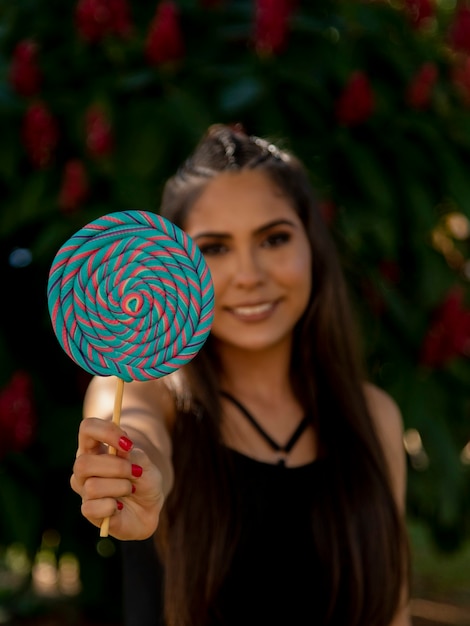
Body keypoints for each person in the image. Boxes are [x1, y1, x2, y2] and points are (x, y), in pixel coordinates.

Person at [71, 124, 411, 626]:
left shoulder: (374, 417)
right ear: (173, 269)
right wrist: (132, 474)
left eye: (274, 238)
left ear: (313, 247)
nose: (250, 274)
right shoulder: (145, 390)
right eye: (215, 248)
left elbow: (394, 613)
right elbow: (133, 434)